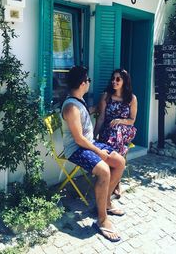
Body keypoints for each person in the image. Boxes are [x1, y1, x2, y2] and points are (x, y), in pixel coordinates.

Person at [61, 66, 126, 242]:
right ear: (83, 83)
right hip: (77, 149)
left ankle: (105, 203)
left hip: (89, 144)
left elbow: (82, 117)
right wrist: (100, 152)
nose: (89, 82)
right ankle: (102, 219)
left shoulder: (77, 100)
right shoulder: (70, 107)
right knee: (104, 170)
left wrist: (95, 109)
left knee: (119, 162)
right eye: (88, 80)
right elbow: (79, 139)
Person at [94, 68, 137, 197]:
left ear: (125, 81)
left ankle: (113, 180)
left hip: (125, 130)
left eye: (118, 79)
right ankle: (116, 179)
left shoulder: (131, 98)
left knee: (116, 131)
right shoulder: (106, 96)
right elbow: (101, 117)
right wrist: (94, 136)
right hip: (108, 131)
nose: (114, 81)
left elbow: (132, 120)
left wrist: (119, 121)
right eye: (113, 78)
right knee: (116, 139)